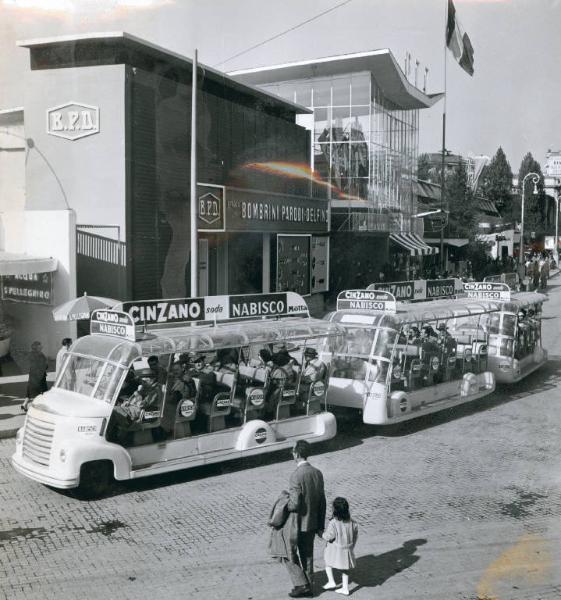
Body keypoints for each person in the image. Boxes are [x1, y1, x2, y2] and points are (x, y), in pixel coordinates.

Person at [284, 440, 326, 598]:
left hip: (298, 524)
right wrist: (320, 525)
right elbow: (322, 501)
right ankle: (309, 586)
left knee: (288, 553)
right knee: (307, 555)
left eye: (293, 451)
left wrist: (284, 503)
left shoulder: (296, 476)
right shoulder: (317, 473)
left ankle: (301, 584)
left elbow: (294, 504)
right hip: (313, 522)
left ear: (297, 454)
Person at [322, 497, 359, 595]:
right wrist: (351, 547)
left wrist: (321, 534)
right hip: (347, 549)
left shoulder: (333, 523)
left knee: (328, 562)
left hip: (335, 550)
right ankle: (345, 588)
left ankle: (331, 581)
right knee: (345, 569)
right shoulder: (353, 522)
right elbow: (355, 536)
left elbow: (329, 536)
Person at [22, 341, 48, 412]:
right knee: (43, 391)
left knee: (30, 390)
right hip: (40, 375)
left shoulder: (30, 354)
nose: (42, 347)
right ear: (36, 347)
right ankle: (40, 407)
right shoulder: (40, 354)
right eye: (40, 346)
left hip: (32, 375)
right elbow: (44, 365)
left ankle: (25, 404)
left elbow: (27, 363)